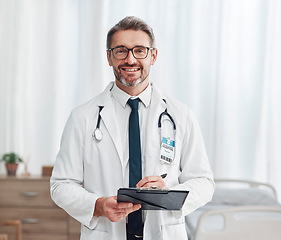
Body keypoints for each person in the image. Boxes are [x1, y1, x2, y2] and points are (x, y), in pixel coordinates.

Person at [50, 16, 215, 240]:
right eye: (121, 51)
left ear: (153, 56)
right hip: (106, 232)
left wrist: (168, 193)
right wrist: (98, 206)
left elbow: (204, 183)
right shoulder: (82, 117)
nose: (130, 59)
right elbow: (61, 185)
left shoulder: (181, 115)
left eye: (140, 50)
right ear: (109, 57)